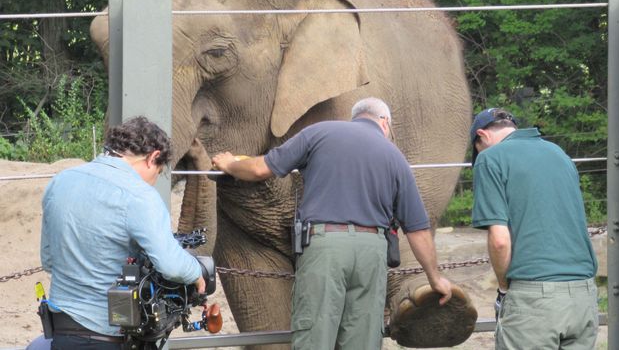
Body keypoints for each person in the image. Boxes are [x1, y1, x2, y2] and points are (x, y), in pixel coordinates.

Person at [212, 97, 452, 350]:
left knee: (315, 335)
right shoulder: (395, 156)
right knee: (363, 339)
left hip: (325, 246)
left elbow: (260, 169)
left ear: (356, 116)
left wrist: (231, 164)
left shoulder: (319, 133)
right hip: (372, 251)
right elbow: (418, 230)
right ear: (385, 123)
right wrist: (435, 278)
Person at [40, 116, 205, 349]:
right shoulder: (139, 196)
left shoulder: (60, 181)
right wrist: (196, 272)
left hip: (62, 332)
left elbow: (48, 260)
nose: (152, 182)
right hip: (110, 336)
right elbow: (170, 265)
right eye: (157, 173)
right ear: (153, 157)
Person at [470, 107, 598, 350]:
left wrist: (503, 287)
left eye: (478, 149)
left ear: (482, 136)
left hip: (533, 300)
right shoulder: (559, 154)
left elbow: (499, 240)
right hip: (583, 295)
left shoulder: (490, 159)